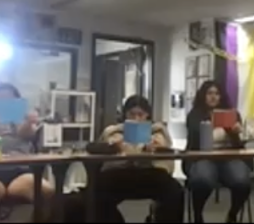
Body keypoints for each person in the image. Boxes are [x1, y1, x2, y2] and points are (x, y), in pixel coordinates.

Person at [64, 95, 184, 223]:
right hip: (118, 174)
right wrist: (115, 147)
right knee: (95, 192)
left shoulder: (158, 132)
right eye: (131, 114)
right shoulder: (112, 132)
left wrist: (155, 148)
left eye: (140, 114)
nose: (136, 118)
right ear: (125, 115)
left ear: (147, 115)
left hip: (150, 174)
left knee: (175, 190)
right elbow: (96, 148)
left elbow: (167, 159)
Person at [0, 83, 54, 222]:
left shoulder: (20, 124)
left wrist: (28, 121)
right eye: (1, 97)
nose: (6, 101)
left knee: (45, 191)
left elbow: (28, 134)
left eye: (11, 99)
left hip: (19, 171)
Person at [184, 81, 252, 223]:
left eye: (216, 93)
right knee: (202, 179)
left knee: (242, 181)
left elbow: (240, 140)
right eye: (209, 93)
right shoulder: (194, 114)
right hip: (202, 156)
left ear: (221, 96)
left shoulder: (232, 113)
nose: (213, 97)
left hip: (229, 156)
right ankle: (198, 214)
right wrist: (214, 124)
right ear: (203, 96)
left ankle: (232, 214)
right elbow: (195, 137)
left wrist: (235, 131)